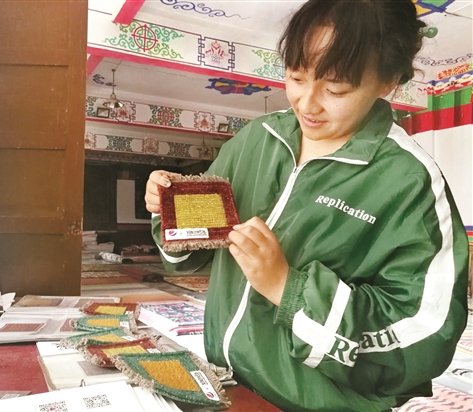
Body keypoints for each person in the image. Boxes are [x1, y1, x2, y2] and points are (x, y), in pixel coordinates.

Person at [144, 0, 469, 410]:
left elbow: (424, 335)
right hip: (228, 386)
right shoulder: (257, 138)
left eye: (336, 89)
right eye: (296, 76)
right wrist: (170, 209)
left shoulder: (408, 180)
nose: (307, 104)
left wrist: (288, 288)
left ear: (387, 83)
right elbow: (194, 251)